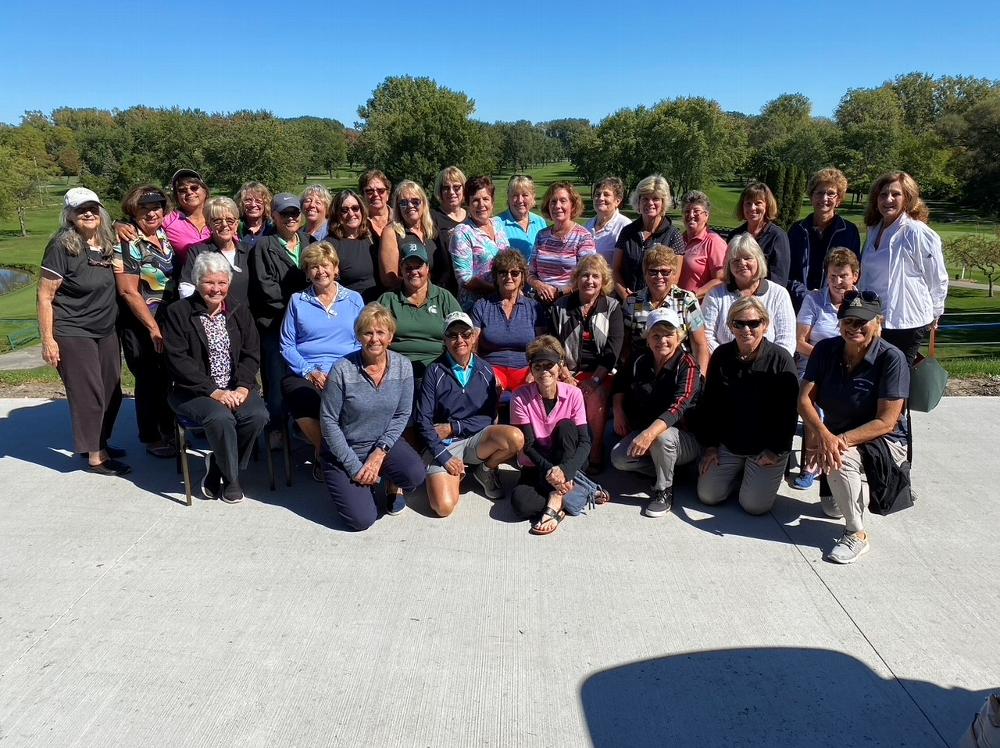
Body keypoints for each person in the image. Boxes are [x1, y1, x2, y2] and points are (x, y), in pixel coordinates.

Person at [799, 291, 910, 564]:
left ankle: (856, 534)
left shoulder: (892, 358)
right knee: (830, 508)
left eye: (863, 322)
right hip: (836, 433)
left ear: (878, 323)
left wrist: (836, 442)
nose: (854, 327)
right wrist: (821, 435)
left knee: (839, 458)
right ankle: (849, 494)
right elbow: (803, 400)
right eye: (848, 320)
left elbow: (886, 421)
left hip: (885, 440)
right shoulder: (826, 349)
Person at [163, 252, 269, 503]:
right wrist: (214, 391)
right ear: (198, 282)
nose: (216, 289)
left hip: (235, 387)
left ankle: (219, 467)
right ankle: (232, 479)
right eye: (209, 282)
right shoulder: (178, 312)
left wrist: (243, 386)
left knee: (257, 415)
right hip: (194, 391)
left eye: (222, 282)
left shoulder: (239, 311)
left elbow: (251, 352)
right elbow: (177, 361)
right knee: (220, 418)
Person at [38, 188, 128, 476]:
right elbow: (44, 296)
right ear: (70, 215)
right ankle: (95, 457)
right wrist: (48, 340)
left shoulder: (106, 243)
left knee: (112, 390)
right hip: (73, 330)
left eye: (93, 208)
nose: (88, 213)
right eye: (81, 210)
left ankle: (99, 442)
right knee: (89, 393)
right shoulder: (62, 247)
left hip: (106, 329)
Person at [319, 304, 426, 531]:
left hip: (382, 444)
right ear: (358, 336)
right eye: (368, 332)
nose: (374, 339)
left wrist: (379, 454)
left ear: (390, 336)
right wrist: (355, 468)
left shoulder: (403, 366)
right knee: (361, 520)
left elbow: (402, 414)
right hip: (345, 449)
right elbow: (328, 423)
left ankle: (387, 481)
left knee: (415, 474)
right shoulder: (342, 369)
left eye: (381, 332)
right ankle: (354, 484)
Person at [416, 312, 525, 516]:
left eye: (465, 334)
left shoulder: (485, 371)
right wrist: (445, 457)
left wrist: (454, 427)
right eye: (453, 335)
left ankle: (485, 469)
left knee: (515, 438)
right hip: (445, 445)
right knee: (443, 507)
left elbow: (488, 417)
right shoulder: (434, 371)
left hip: (476, 439)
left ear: (474, 337)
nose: (460, 340)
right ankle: (457, 471)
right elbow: (423, 421)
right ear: (445, 339)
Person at [697, 297, 799, 515]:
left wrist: (776, 451)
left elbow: (789, 414)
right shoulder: (721, 356)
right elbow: (710, 404)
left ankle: (758, 477)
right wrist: (711, 446)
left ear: (765, 325)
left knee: (754, 506)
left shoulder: (781, 360)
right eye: (739, 323)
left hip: (766, 447)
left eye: (753, 323)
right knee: (708, 496)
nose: (746, 329)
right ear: (730, 326)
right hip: (730, 445)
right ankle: (740, 475)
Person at [280, 242, 364, 480]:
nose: (320, 271)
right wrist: (310, 372)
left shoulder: (354, 299)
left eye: (325, 265)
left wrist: (344, 370)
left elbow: (363, 340)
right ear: (307, 272)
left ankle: (350, 452)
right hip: (308, 371)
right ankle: (327, 454)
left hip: (347, 368)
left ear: (335, 268)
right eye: (313, 267)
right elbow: (287, 344)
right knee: (300, 397)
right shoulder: (298, 301)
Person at [611, 308, 701, 517]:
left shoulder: (687, 365)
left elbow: (678, 406)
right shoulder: (639, 358)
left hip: (683, 437)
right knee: (619, 458)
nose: (662, 340)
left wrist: (648, 434)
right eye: (656, 335)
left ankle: (664, 491)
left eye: (669, 334)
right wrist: (618, 411)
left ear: (679, 337)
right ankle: (672, 471)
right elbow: (619, 384)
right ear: (647, 338)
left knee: (661, 437)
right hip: (647, 430)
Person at [114, 185, 178, 458]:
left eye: (156, 207)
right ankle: (151, 436)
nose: (152, 213)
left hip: (167, 319)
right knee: (149, 378)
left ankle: (168, 428)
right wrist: (153, 328)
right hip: (141, 323)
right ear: (133, 210)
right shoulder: (128, 241)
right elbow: (128, 290)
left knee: (165, 376)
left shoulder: (163, 234)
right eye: (145, 209)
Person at [860, 171, 948, 367]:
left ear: (908, 198)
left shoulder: (918, 232)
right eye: (883, 195)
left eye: (895, 194)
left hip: (906, 321)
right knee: (872, 377)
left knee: (896, 380)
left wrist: (935, 313)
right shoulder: (873, 230)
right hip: (874, 318)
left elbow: (937, 277)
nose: (888, 199)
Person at [509, 336, 594, 536]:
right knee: (520, 505)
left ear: (560, 366)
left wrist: (565, 471)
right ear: (531, 369)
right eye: (537, 366)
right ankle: (571, 492)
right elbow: (528, 445)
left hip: (568, 458)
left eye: (549, 365)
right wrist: (552, 473)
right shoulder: (520, 396)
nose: (544, 371)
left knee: (566, 426)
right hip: (539, 463)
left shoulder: (573, 394)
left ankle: (556, 498)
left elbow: (585, 440)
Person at [793, 248, 860, 495]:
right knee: (813, 405)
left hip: (852, 368)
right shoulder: (814, 300)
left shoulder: (862, 304)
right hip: (814, 366)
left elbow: (871, 341)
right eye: (833, 276)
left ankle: (846, 457)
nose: (838, 282)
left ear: (855, 275)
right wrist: (829, 359)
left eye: (843, 275)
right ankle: (810, 464)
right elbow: (800, 342)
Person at [548, 254, 624, 473]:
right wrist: (564, 374)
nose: (590, 281)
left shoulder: (611, 308)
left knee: (595, 396)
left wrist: (594, 380)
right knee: (559, 392)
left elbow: (612, 351)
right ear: (577, 278)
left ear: (603, 281)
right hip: (568, 369)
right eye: (585, 275)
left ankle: (596, 447)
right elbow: (553, 345)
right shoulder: (561, 306)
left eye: (595, 276)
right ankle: (565, 450)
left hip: (602, 372)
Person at [249, 192, 311, 432]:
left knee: (303, 378)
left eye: (294, 212)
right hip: (276, 325)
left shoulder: (310, 242)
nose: (290, 217)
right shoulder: (264, 246)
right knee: (276, 381)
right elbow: (267, 288)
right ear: (273, 215)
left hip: (306, 327)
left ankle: (302, 428)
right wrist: (299, 307)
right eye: (284, 213)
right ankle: (276, 429)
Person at [378, 238, 461, 382]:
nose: (414, 272)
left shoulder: (444, 297)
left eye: (418, 266)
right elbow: (373, 335)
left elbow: (462, 332)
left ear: (427, 268)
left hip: (438, 369)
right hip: (396, 371)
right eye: (408, 267)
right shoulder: (388, 300)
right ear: (401, 269)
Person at [702, 234, 796, 356]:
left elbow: (786, 340)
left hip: (768, 370)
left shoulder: (779, 294)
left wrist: (766, 364)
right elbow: (706, 335)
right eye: (735, 260)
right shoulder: (715, 295)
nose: (742, 263)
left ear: (759, 260)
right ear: (728, 265)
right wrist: (727, 359)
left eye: (747, 258)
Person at [622, 245, 711, 374]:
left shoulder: (687, 301)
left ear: (674, 274)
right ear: (645, 273)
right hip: (641, 370)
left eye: (665, 272)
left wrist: (699, 380)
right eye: (653, 271)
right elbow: (625, 344)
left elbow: (700, 345)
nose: (659, 277)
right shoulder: (632, 302)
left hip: (679, 370)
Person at [471, 250, 544, 393]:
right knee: (488, 388)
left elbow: (541, 345)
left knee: (535, 388)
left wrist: (535, 372)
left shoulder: (534, 307)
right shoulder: (482, 306)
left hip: (525, 368)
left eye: (515, 273)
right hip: (492, 367)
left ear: (522, 277)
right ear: (496, 277)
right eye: (503, 272)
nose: (509, 277)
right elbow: (472, 347)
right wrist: (483, 372)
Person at [787, 168, 861, 309]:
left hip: (835, 307)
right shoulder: (797, 230)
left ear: (838, 199)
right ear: (812, 196)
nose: (824, 198)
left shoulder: (849, 231)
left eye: (831, 194)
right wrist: (807, 295)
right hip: (800, 304)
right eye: (819, 193)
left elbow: (854, 272)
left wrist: (827, 295)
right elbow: (788, 271)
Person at [114, 169, 211, 264]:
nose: (189, 192)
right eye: (182, 190)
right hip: (189, 277)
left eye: (194, 187)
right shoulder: (169, 219)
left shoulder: (217, 214)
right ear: (176, 196)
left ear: (205, 190)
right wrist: (117, 224)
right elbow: (140, 220)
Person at [613, 175, 685, 300]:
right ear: (638, 201)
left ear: (663, 203)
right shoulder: (627, 232)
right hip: (626, 304)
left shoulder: (673, 235)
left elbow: (674, 278)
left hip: (658, 305)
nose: (650, 203)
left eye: (655, 199)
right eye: (645, 198)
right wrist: (626, 296)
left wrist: (648, 300)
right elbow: (615, 270)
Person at [528, 182, 596, 303]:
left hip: (569, 303)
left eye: (563, 201)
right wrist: (539, 286)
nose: (557, 206)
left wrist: (558, 293)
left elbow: (588, 277)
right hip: (539, 300)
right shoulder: (541, 235)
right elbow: (530, 273)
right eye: (553, 201)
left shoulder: (583, 237)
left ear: (573, 206)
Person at [449, 175, 510, 310]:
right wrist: (498, 290)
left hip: (503, 302)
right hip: (477, 306)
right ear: (468, 203)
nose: (481, 204)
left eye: (485, 199)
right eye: (475, 200)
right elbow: (465, 279)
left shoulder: (498, 224)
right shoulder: (462, 232)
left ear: (492, 201)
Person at [180, 197, 252, 305]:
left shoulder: (249, 251)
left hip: (244, 318)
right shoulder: (197, 252)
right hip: (210, 317)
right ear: (209, 225)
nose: (224, 225)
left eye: (230, 220)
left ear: (236, 224)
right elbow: (186, 288)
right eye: (217, 221)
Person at [378, 180, 438, 290]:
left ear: (423, 203)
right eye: (403, 203)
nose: (410, 206)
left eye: (415, 201)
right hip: (405, 297)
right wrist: (421, 288)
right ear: (398, 207)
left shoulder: (431, 229)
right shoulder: (391, 232)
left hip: (436, 295)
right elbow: (389, 279)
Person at [729, 181, 790, 289]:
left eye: (758, 203)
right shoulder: (734, 236)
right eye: (748, 203)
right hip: (736, 296)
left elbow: (779, 281)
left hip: (765, 299)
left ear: (767, 205)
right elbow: (728, 273)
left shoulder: (778, 237)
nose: (752, 208)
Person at [328, 189, 380, 302]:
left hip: (378, 306)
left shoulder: (372, 237)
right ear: (337, 214)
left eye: (355, 208)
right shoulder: (330, 245)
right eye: (344, 210)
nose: (351, 214)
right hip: (351, 307)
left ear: (361, 210)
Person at [678, 190, 727, 299]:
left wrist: (693, 295)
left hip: (699, 307)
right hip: (676, 305)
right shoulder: (679, 239)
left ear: (706, 215)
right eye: (687, 211)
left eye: (696, 211)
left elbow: (721, 279)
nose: (691, 215)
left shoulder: (714, 242)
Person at [429, 165, 468, 293]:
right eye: (446, 188)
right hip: (444, 288)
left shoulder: (472, 216)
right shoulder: (431, 217)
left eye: (456, 187)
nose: (451, 192)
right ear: (439, 191)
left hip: (471, 287)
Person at [497, 175, 547, 262]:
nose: (520, 200)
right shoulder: (497, 223)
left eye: (525, 195)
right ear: (508, 197)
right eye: (515, 195)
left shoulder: (540, 222)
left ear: (533, 197)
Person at [586, 176, 631, 267]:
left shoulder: (625, 226)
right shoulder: (588, 225)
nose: (601, 198)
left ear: (617, 201)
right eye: (597, 195)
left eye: (606, 194)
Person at [235, 181, 274, 250]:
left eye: (258, 201)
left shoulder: (273, 228)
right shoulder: (235, 228)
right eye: (248, 200)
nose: (253, 205)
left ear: (265, 204)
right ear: (241, 203)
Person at [359, 169, 392, 241]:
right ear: (362, 196)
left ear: (388, 194)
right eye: (369, 191)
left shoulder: (400, 218)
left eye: (381, 190)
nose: (376, 194)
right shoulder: (358, 223)